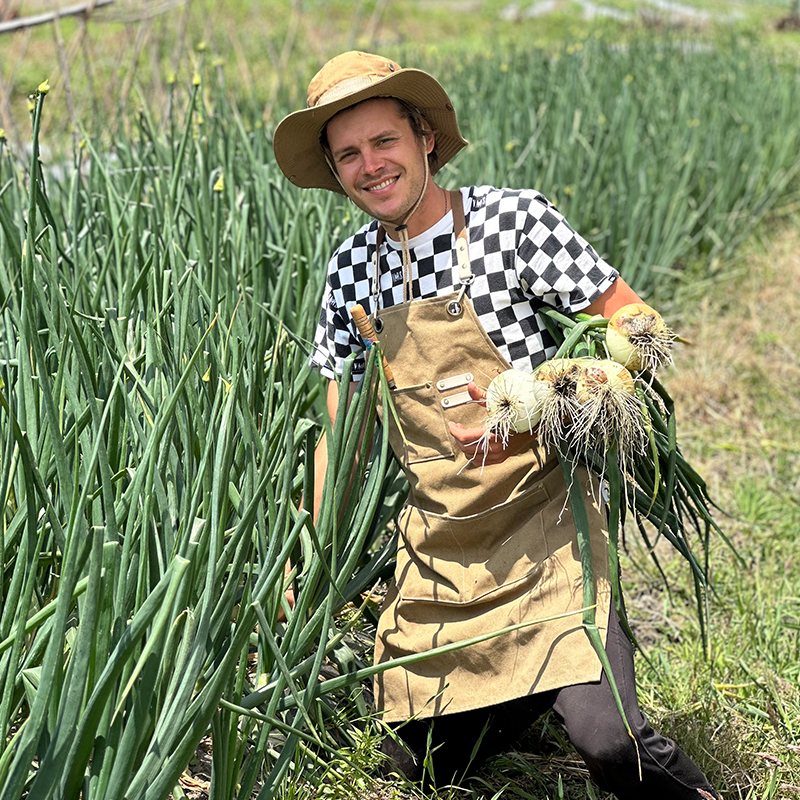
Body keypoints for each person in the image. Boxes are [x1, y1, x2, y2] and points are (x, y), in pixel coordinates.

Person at [273, 51, 720, 799]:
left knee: (612, 746)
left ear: (424, 138)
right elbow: (340, 429)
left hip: (547, 532)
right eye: (347, 153)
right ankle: (531, 691)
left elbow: (630, 319)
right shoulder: (350, 270)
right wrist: (313, 552)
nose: (369, 165)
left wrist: (574, 384)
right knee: (417, 766)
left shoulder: (512, 223)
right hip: (445, 556)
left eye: (383, 141)